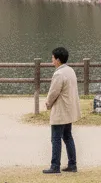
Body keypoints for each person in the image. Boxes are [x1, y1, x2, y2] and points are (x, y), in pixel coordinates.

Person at [44, 46, 81, 174]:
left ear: (58, 60)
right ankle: (72, 164)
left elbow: (53, 92)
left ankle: (55, 165)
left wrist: (48, 103)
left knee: (56, 138)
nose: (52, 60)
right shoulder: (70, 70)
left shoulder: (59, 74)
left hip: (61, 110)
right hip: (69, 109)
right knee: (68, 136)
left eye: (53, 58)